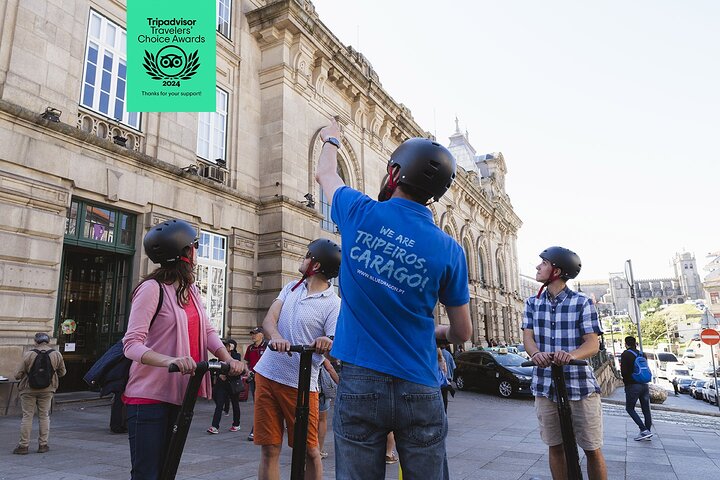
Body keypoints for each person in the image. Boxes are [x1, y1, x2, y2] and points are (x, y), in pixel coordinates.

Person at [315, 118, 472, 480]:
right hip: (420, 384)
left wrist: (332, 138)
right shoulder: (449, 249)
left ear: (394, 172)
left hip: (360, 383)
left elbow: (326, 173)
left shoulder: (360, 211)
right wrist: (436, 333)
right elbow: (462, 332)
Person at [122, 219, 246, 480]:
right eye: (195, 246)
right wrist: (172, 360)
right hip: (148, 398)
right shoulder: (151, 289)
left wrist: (228, 359)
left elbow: (208, 332)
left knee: (167, 472)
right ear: (185, 252)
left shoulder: (190, 291)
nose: (198, 252)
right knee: (147, 474)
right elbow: (131, 345)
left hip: (180, 396)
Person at [252, 238, 341, 480]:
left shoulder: (333, 303)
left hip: (300, 383)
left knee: (309, 450)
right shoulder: (291, 287)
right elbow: (269, 320)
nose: (303, 259)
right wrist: (276, 336)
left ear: (317, 264)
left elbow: (335, 341)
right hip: (268, 374)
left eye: (307, 255)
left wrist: (326, 342)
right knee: (269, 447)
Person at [523, 246, 607, 480]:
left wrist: (570, 356)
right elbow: (528, 338)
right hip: (545, 385)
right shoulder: (532, 303)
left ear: (557, 271)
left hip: (580, 386)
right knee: (555, 446)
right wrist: (535, 354)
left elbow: (592, 344)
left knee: (592, 448)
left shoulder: (582, 303)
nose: (538, 267)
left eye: (543, 263)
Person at [12, 332, 66, 454]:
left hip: (28, 389)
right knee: (44, 416)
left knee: (27, 416)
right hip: (48, 389)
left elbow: (17, 375)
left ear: (35, 342)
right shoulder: (56, 354)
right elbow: (62, 373)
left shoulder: (29, 354)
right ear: (48, 342)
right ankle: (43, 445)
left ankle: (23, 446)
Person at [620, 336, 653, 441]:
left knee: (629, 408)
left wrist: (626, 382)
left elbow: (624, 372)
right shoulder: (642, 354)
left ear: (626, 344)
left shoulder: (626, 354)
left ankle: (643, 430)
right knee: (646, 410)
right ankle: (647, 431)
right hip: (644, 384)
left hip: (632, 385)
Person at [208, 338, 242, 434]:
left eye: (226, 345)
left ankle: (236, 424)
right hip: (222, 384)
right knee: (219, 404)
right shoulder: (222, 356)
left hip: (233, 384)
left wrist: (226, 375)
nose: (224, 347)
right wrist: (219, 375)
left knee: (235, 404)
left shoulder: (236, 356)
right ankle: (214, 426)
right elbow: (218, 368)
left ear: (231, 347)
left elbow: (236, 369)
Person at [244, 326, 268, 441]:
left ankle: (256, 430)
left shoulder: (267, 346)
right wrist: (248, 371)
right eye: (252, 334)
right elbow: (247, 362)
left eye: (255, 333)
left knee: (262, 404)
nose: (253, 336)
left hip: (265, 380)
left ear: (262, 335)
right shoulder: (250, 348)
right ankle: (258, 429)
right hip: (254, 379)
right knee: (258, 404)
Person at [317, 357, 340, 459]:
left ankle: (305, 448)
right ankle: (319, 450)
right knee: (322, 420)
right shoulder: (320, 353)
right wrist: (340, 384)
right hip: (321, 390)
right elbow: (329, 367)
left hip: (303, 389)